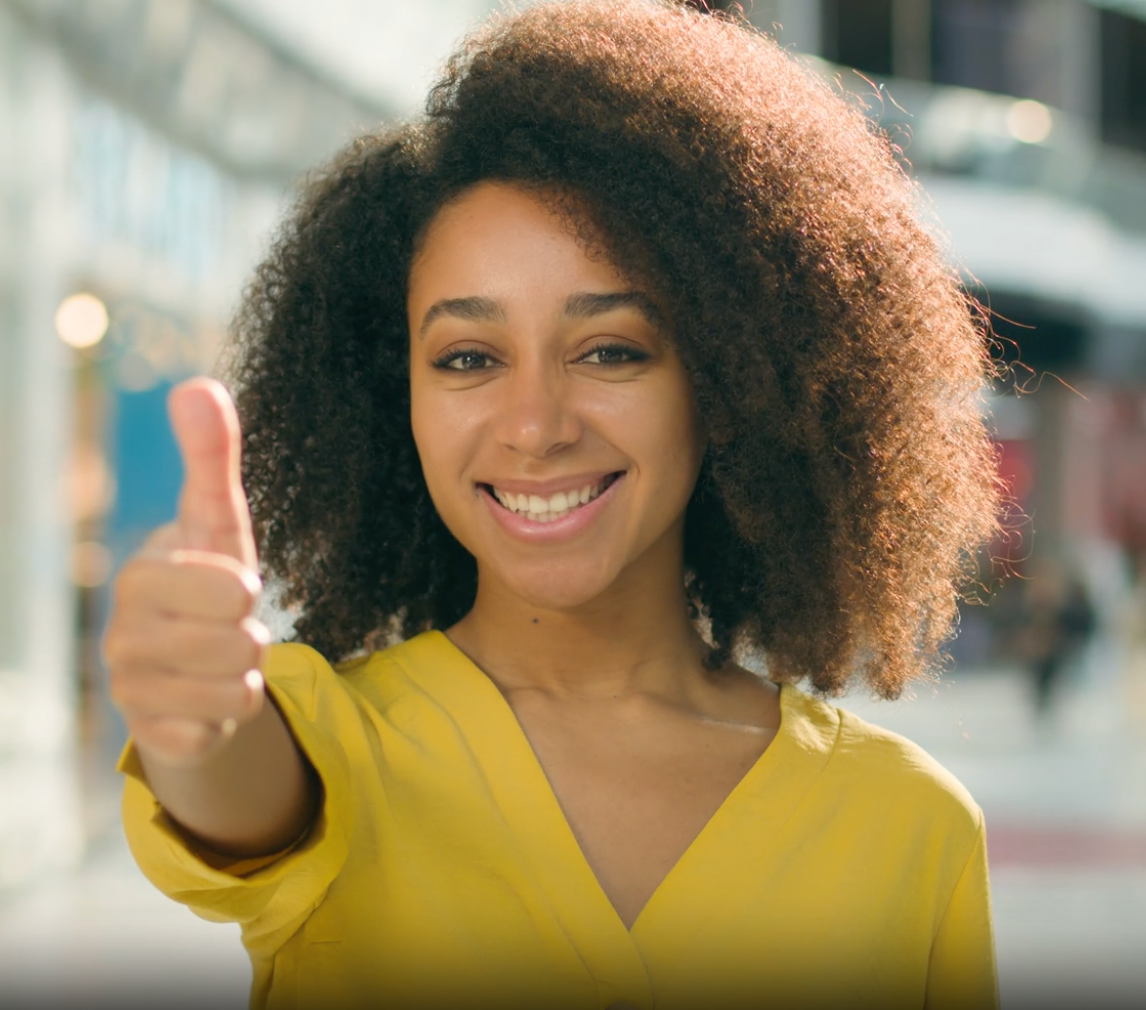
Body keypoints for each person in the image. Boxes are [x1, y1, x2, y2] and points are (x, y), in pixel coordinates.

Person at [104, 2, 1002, 1007]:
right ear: (388, 392)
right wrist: (204, 718)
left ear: (733, 378)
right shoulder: (328, 748)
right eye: (468, 358)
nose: (534, 425)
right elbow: (238, 792)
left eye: (611, 350)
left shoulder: (908, 828)